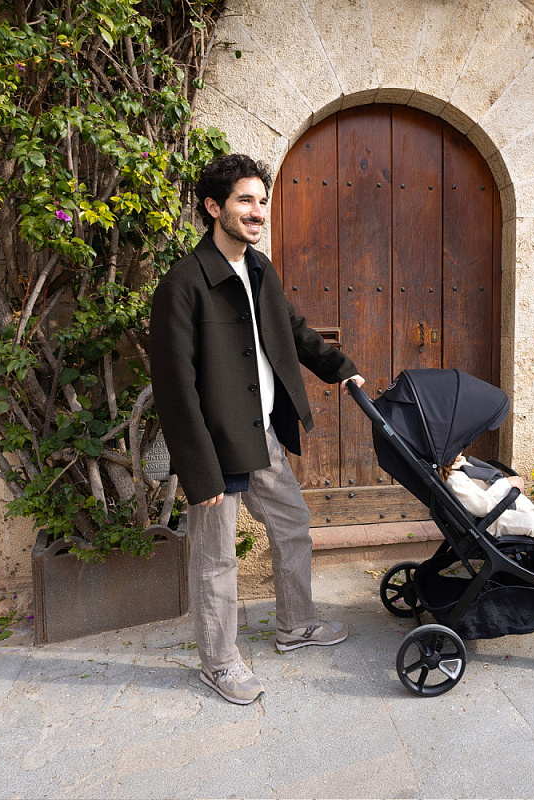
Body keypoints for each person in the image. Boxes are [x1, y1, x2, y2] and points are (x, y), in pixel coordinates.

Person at [149, 154, 365, 705]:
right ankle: (219, 662)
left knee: (292, 523)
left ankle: (296, 624)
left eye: (262, 201)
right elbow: (174, 389)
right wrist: (198, 469)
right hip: (215, 444)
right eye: (245, 200)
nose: (257, 212)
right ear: (213, 207)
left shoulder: (259, 268)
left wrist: (339, 368)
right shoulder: (184, 284)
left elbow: (292, 329)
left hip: (260, 431)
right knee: (216, 557)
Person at [439, 455, 534, 549]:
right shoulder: (455, 481)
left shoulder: (458, 466)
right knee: (531, 519)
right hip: (489, 523)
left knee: (522, 503)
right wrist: (506, 483)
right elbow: (483, 507)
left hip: (495, 511)